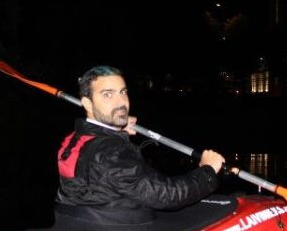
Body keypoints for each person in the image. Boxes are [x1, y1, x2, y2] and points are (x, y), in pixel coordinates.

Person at [55, 65, 226, 216]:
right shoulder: (111, 152)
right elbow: (166, 195)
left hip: (89, 223)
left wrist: (116, 131)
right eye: (108, 95)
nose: (121, 102)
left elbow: (98, 175)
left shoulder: (74, 139)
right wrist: (207, 171)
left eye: (123, 92)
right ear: (87, 104)